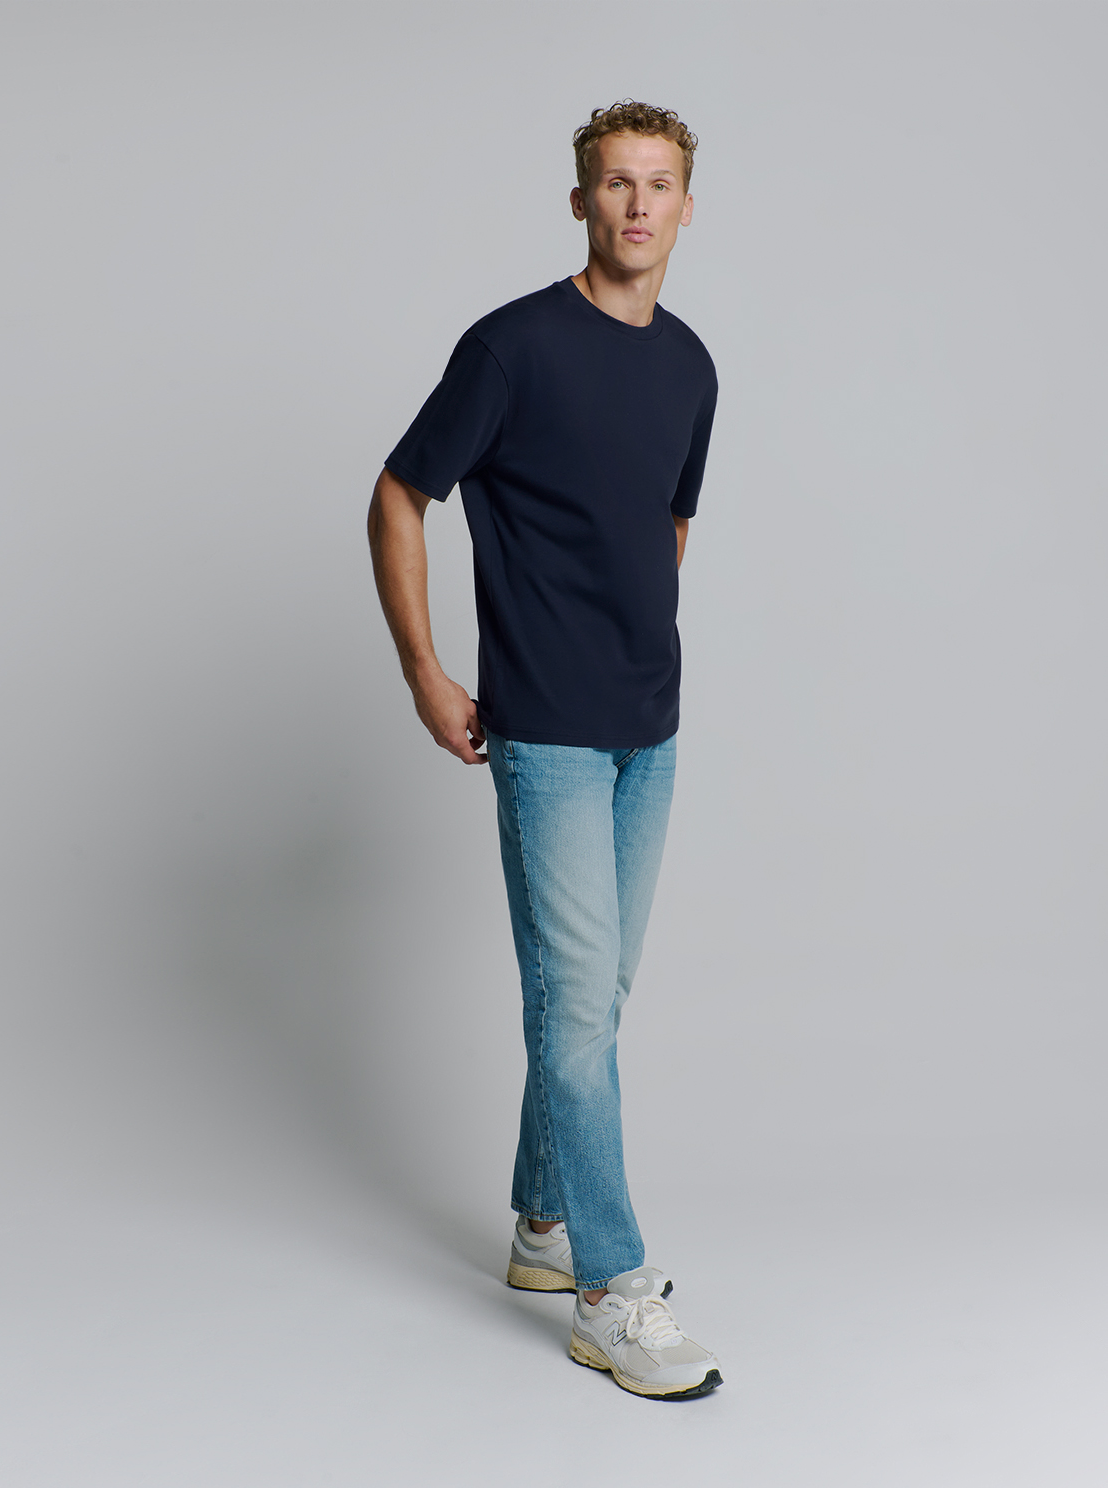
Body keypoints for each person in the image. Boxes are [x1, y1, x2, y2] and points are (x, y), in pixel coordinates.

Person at [368, 101, 721, 1400]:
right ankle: (609, 1292)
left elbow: (665, 524)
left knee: (595, 999)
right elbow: (400, 490)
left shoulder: (691, 365)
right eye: (615, 183)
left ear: (686, 207)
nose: (637, 204)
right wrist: (425, 670)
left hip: (648, 729)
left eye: (658, 184)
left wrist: (632, 640)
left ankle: (539, 1223)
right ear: (579, 201)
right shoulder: (511, 348)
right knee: (575, 1008)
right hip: (546, 733)